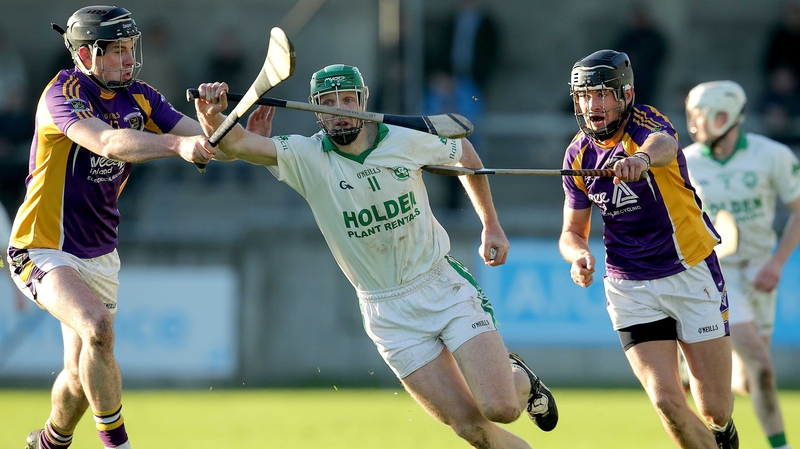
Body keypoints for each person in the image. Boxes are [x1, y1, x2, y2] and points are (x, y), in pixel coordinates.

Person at [193, 64, 558, 448]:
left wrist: (491, 225)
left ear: (363, 100)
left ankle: (520, 380)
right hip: (386, 313)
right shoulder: (305, 156)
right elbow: (234, 145)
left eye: (347, 99)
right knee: (472, 429)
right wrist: (211, 113)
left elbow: (464, 152)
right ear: (316, 112)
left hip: (441, 286)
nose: (339, 110)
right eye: (328, 104)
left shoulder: (405, 139)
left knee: (500, 409)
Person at [7, 6, 217, 449]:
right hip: (40, 246)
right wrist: (178, 144)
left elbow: (203, 141)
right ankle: (117, 445)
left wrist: (219, 126)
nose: (127, 59)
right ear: (85, 53)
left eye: (129, 49)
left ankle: (48, 442)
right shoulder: (62, 94)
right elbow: (105, 141)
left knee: (80, 375)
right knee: (97, 326)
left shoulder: (141, 97)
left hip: (99, 253)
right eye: (117, 50)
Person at [557, 50, 738, 449]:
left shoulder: (647, 125)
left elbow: (666, 147)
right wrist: (579, 256)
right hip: (630, 286)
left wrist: (639, 158)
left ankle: (722, 434)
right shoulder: (578, 155)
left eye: (602, 95)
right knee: (667, 402)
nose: (593, 106)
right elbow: (571, 231)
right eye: (585, 96)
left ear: (626, 95)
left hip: (689, 270)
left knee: (715, 410)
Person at [684, 80, 797, 449]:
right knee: (763, 366)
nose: (696, 124)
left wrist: (777, 263)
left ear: (725, 116)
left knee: (752, 381)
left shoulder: (772, 155)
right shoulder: (685, 161)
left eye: (702, 116)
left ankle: (699, 371)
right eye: (693, 116)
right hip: (717, 273)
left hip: (761, 272)